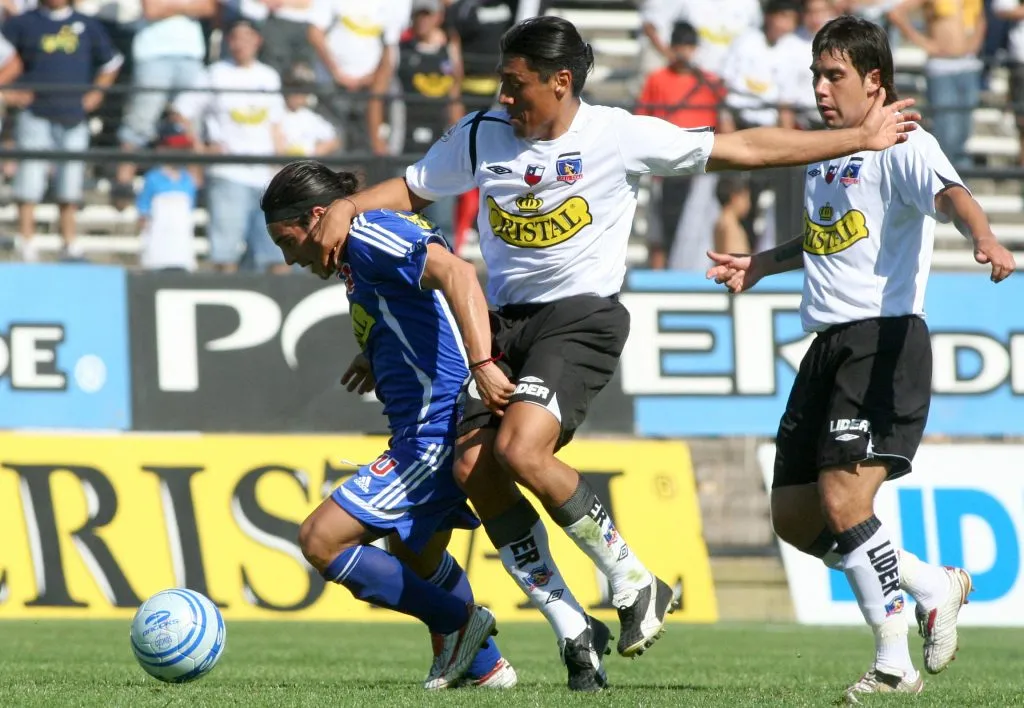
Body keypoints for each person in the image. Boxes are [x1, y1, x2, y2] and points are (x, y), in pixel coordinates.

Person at [302, 14, 920, 663]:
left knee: (520, 448)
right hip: (508, 318)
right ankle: (570, 622)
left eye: (517, 86)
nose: (505, 98)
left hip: (580, 318)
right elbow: (408, 188)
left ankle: (629, 577)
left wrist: (858, 137)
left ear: (561, 81)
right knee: (472, 467)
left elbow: (746, 148)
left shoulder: (616, 136)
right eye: (502, 85)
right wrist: (347, 206)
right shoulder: (483, 135)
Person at [705, 16, 1016, 702]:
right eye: (817, 74)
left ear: (876, 81)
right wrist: (762, 263)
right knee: (795, 516)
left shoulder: (905, 139)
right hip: (828, 344)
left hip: (885, 340)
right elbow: (828, 236)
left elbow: (950, 193)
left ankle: (892, 664)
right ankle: (933, 585)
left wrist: (985, 237)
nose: (820, 87)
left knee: (846, 499)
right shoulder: (829, 151)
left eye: (834, 75)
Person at [261, 160, 613, 693]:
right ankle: (484, 666)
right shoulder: (362, 249)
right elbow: (419, 302)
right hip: (426, 428)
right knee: (414, 556)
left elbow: (457, 274)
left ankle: (460, 623)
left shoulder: (368, 234)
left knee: (320, 540)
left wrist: (481, 363)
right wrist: (377, 346)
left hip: (434, 433)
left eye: (288, 241)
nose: (288, 257)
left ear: (317, 216)